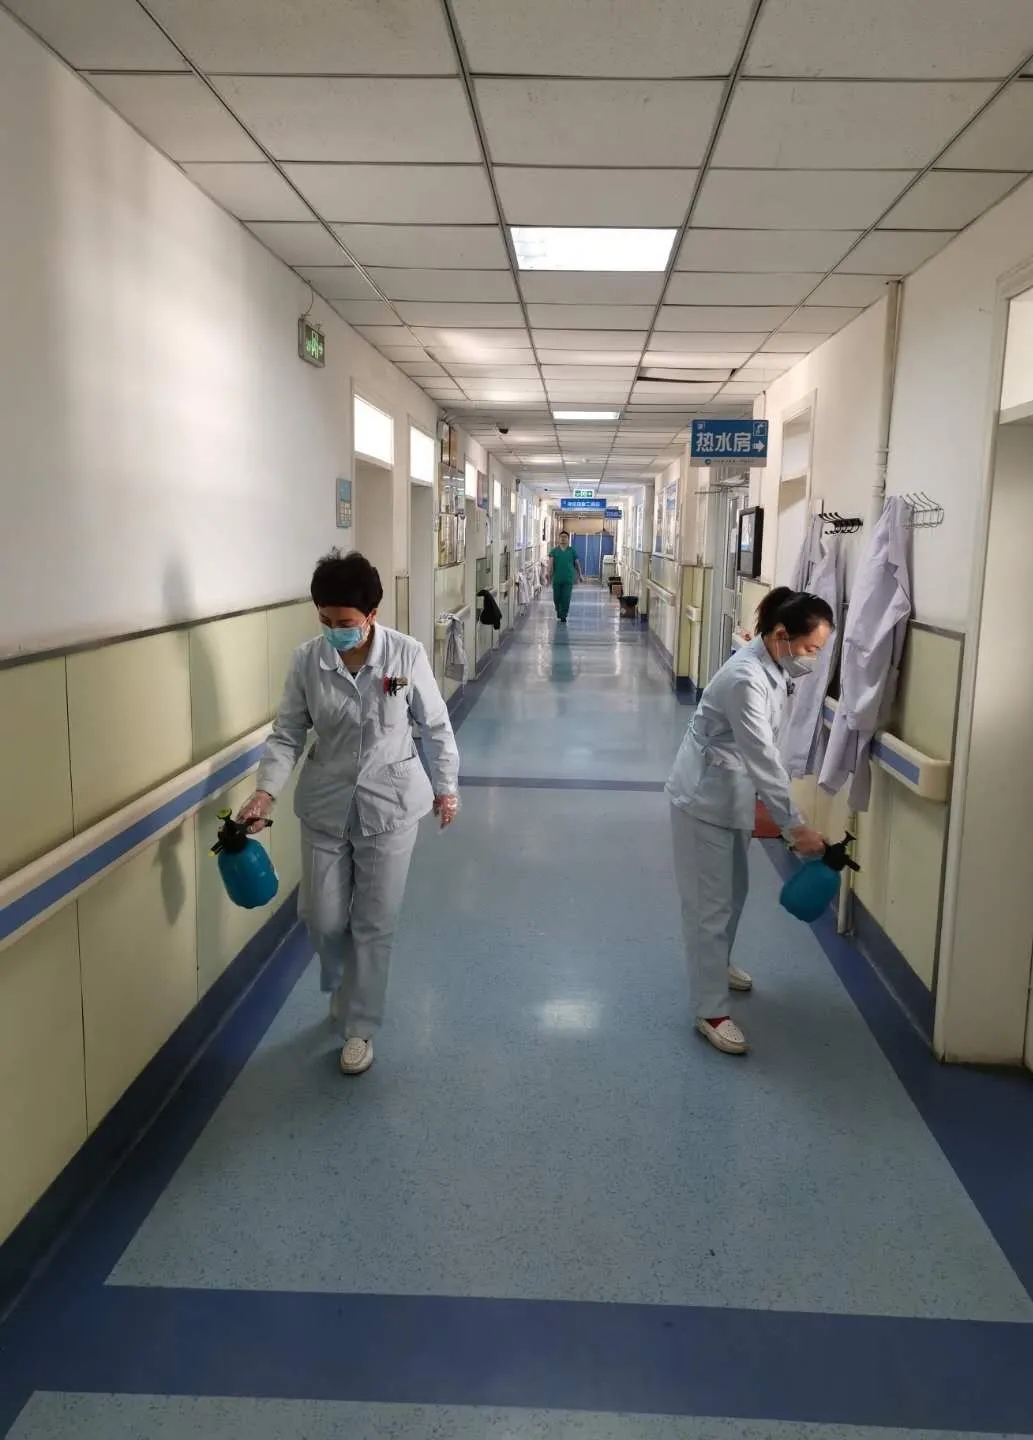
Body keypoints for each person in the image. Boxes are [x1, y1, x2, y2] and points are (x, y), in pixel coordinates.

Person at [238, 551, 460, 1077]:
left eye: (343, 622)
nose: (333, 631)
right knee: (321, 917)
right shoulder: (306, 662)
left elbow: (435, 725)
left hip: (391, 804)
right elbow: (288, 733)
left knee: (374, 923)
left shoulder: (405, 656)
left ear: (372, 614)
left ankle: (360, 1026)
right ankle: (343, 985)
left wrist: (446, 788)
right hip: (325, 802)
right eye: (324, 619)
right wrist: (265, 793)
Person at [666, 588, 834, 1056]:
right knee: (709, 907)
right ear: (781, 636)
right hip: (704, 798)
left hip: (732, 795)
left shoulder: (773, 668)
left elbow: (762, 756)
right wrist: (795, 826)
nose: (812, 659)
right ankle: (710, 1011)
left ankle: (716, 965)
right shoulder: (745, 678)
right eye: (810, 648)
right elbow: (762, 757)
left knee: (733, 893)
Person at [547, 530, 582, 623]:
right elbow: (550, 563)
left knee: (566, 598)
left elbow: (577, 563)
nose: (563, 538)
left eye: (565, 537)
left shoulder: (572, 551)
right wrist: (548, 573)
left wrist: (580, 575)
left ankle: (564, 615)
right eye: (561, 537)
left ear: (568, 539)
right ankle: (558, 610)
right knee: (556, 598)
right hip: (557, 579)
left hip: (568, 579)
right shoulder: (554, 551)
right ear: (559, 539)